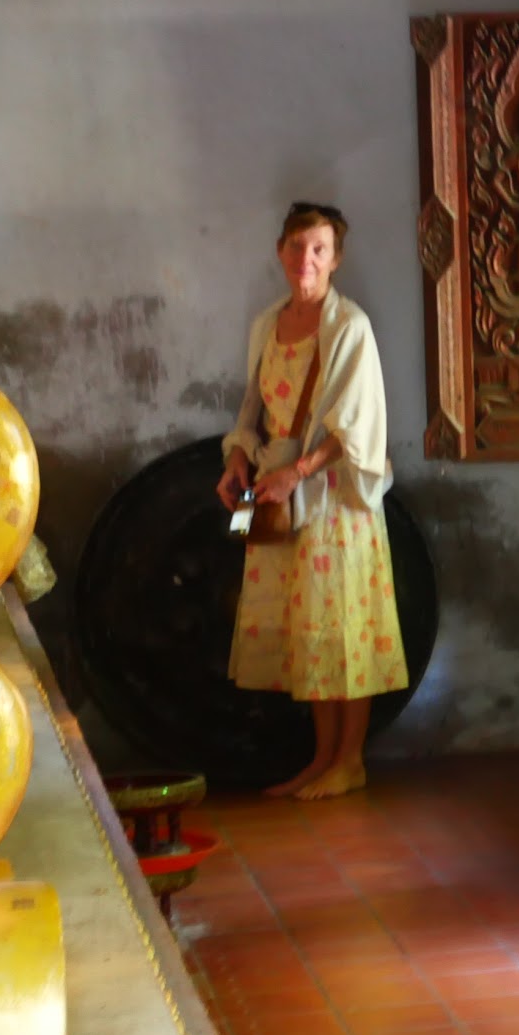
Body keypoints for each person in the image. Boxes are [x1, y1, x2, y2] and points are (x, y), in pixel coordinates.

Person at [215, 203, 406, 799]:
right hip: (276, 490)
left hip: (334, 501)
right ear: (281, 251)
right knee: (310, 632)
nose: (307, 259)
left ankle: (350, 760)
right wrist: (238, 459)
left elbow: (357, 426)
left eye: (319, 249)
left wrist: (297, 473)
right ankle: (322, 759)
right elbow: (253, 408)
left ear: (336, 258)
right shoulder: (266, 324)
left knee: (343, 625)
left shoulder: (350, 327)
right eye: (297, 246)